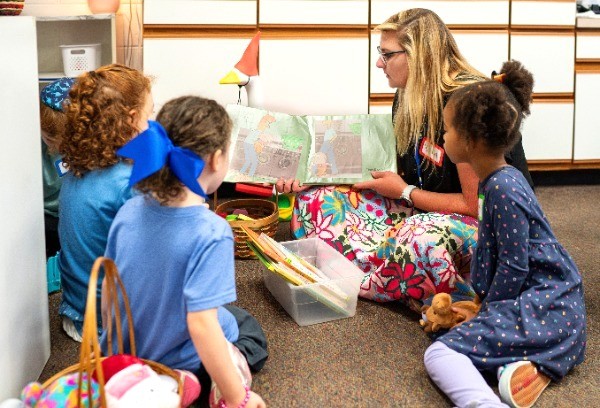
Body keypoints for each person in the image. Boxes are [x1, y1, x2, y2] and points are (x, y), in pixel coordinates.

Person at [275, 8, 534, 311]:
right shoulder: (407, 94)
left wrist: (404, 192)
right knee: (316, 201)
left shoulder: (465, 104)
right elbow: (397, 170)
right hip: (422, 206)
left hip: (486, 227)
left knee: (418, 237)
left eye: (387, 54)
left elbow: (472, 205)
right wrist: (316, 176)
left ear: (419, 56)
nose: (379, 63)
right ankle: (394, 269)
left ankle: (391, 270)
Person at [424, 60, 586, 408]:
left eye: (447, 130)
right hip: (551, 306)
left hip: (548, 307)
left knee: (439, 354)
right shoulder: (495, 181)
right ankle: (525, 366)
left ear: (471, 141)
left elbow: (514, 265)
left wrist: (486, 313)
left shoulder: (503, 188)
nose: (442, 137)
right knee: (453, 327)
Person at [100, 96, 268, 408]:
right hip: (182, 360)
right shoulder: (213, 232)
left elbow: (110, 289)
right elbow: (201, 325)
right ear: (216, 159)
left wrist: (114, 353)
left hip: (130, 353)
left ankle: (142, 378)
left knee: (228, 314)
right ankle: (198, 384)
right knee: (250, 332)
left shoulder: (128, 211)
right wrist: (238, 398)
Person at [57, 64, 153, 342]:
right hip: (111, 326)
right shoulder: (129, 182)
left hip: (76, 311)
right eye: (149, 116)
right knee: (241, 327)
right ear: (132, 120)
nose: (151, 125)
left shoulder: (76, 169)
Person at [39, 77, 75, 259]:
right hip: (43, 216)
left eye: (62, 140)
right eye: (49, 139)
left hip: (71, 214)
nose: (56, 146)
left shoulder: (85, 145)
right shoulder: (30, 148)